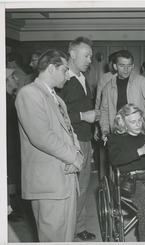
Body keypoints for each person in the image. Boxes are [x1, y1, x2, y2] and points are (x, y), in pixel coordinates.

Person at [15, 49, 84, 242]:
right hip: (48, 181)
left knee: (66, 234)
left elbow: (70, 133)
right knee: (52, 236)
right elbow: (41, 136)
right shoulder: (29, 93)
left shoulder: (57, 98)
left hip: (66, 176)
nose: (68, 76)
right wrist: (73, 157)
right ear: (52, 68)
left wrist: (77, 154)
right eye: (64, 70)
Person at [57, 36, 99, 241]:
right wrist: (83, 116)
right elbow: (56, 116)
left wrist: (94, 124)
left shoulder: (83, 78)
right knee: (73, 190)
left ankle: (78, 227)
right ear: (72, 54)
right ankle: (68, 230)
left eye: (90, 56)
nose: (90, 59)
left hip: (86, 138)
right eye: (87, 55)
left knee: (82, 188)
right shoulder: (62, 80)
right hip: (71, 142)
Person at [108, 103, 145, 242]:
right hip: (129, 179)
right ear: (123, 122)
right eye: (133, 122)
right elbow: (115, 159)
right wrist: (140, 151)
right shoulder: (115, 139)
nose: (137, 125)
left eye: (139, 120)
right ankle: (143, 241)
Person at [99, 49, 145, 144]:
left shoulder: (141, 81)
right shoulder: (107, 87)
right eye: (122, 66)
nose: (126, 70)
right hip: (117, 135)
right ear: (115, 66)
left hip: (138, 135)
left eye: (129, 66)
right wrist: (105, 130)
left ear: (133, 66)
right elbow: (104, 111)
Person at [6, 68, 24, 222]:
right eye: (12, 77)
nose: (16, 79)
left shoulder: (10, 98)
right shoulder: (7, 101)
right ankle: (9, 210)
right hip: (10, 147)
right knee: (11, 179)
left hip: (11, 146)